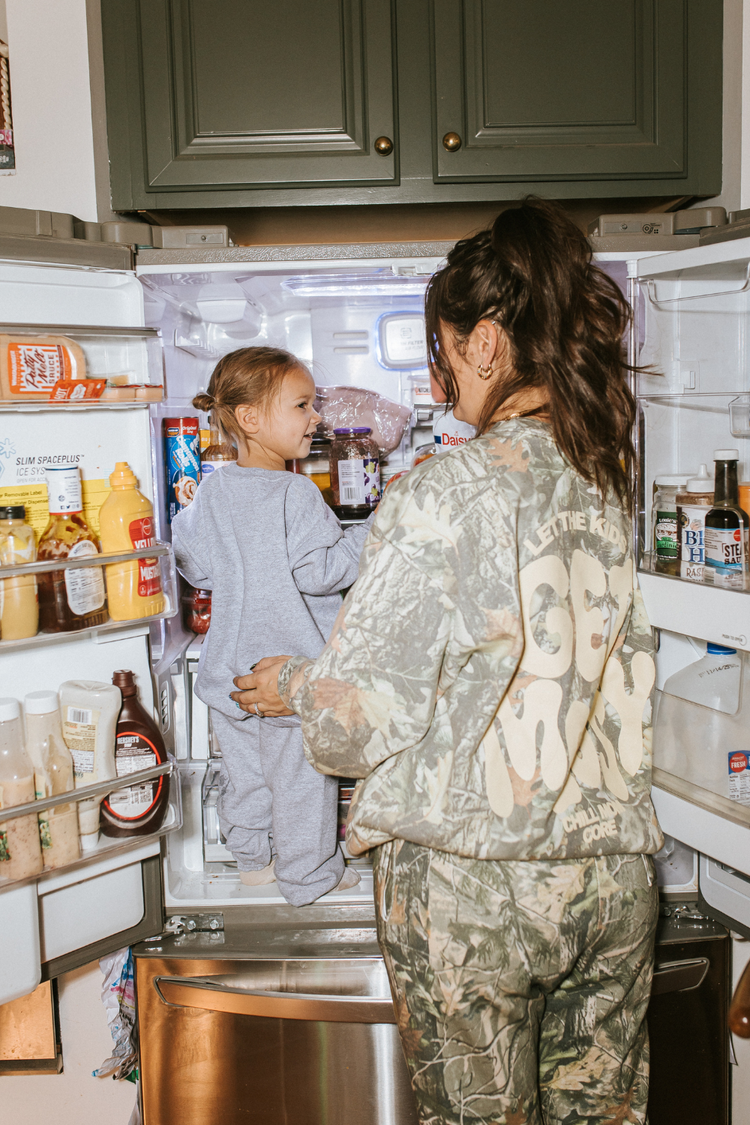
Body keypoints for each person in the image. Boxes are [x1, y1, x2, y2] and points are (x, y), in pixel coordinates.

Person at [232, 200, 663, 1124]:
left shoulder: (446, 490)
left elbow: (361, 720)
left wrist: (292, 685)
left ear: (486, 344)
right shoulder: (604, 476)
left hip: (478, 896)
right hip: (615, 885)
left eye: (444, 349)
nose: (439, 379)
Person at [172, 346, 367, 905]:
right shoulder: (295, 492)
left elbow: (196, 564)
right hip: (284, 671)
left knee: (247, 776)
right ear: (252, 419)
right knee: (305, 780)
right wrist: (374, 535)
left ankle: (254, 860)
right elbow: (322, 571)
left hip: (229, 672)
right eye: (302, 406)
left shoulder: (211, 490)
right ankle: (308, 875)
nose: (316, 419)